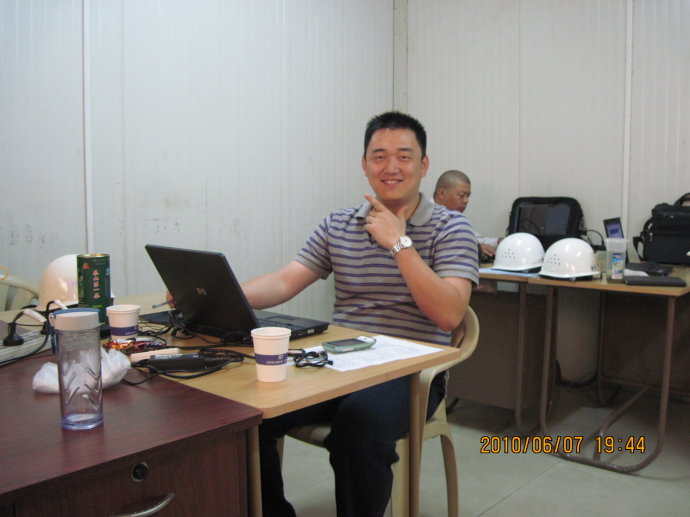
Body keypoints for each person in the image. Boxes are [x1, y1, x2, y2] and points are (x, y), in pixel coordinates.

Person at [241, 111, 479, 517]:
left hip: (412, 372)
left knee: (360, 424)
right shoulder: (338, 223)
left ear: (423, 165)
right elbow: (284, 281)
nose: (391, 167)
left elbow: (449, 315)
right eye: (379, 156)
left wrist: (399, 243)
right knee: (249, 413)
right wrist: (221, 295)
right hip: (341, 362)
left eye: (404, 156)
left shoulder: (452, 227)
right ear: (364, 164)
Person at [433, 169, 501, 259]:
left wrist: (500, 241)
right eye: (462, 195)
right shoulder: (426, 217)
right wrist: (474, 247)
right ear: (441, 193)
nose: (466, 201)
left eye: (468, 196)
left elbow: (475, 238)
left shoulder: (455, 220)